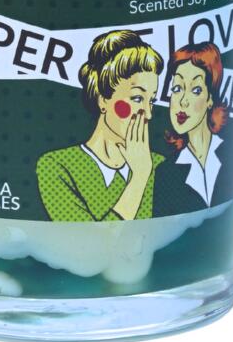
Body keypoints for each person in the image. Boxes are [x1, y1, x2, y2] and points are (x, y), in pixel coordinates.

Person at [36, 30, 165, 221]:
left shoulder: (160, 166)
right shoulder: (57, 166)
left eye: (151, 101)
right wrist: (139, 178)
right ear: (103, 99)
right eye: (137, 98)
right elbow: (88, 237)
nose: (148, 114)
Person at [153, 42, 233, 215]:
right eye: (177, 88)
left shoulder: (230, 151)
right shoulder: (165, 172)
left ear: (210, 99)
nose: (183, 101)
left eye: (196, 90)